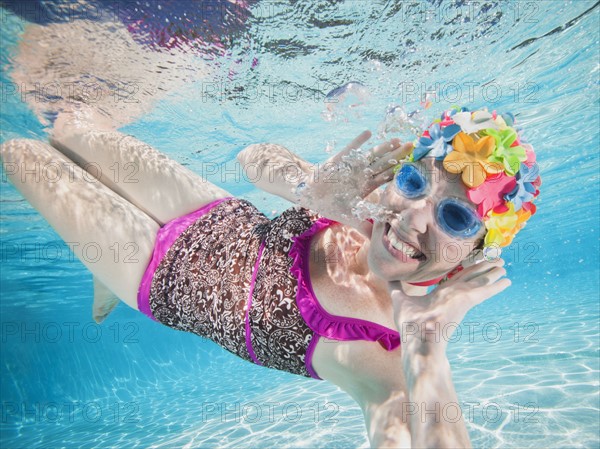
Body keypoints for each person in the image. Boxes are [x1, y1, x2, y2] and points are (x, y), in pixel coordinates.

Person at [0, 105, 541, 447]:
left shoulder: (387, 362)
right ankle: (95, 259)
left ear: (473, 255)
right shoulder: (371, 202)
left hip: (155, 273)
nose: (413, 217)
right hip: (212, 213)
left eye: (455, 217)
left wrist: (427, 351)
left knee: (21, 153)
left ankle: (103, 266)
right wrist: (313, 187)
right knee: (70, 122)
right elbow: (252, 157)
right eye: (415, 183)